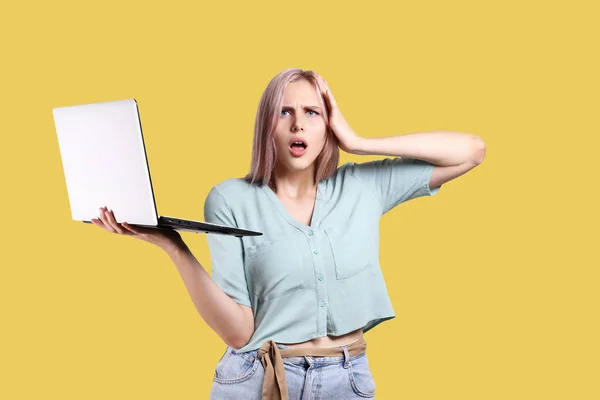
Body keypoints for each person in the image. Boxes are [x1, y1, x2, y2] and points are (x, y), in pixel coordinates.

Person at [91, 68, 485, 399]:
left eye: (312, 112)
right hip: (256, 379)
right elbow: (238, 331)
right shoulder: (230, 199)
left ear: (328, 123)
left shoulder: (364, 186)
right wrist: (172, 246)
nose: (299, 123)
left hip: (347, 380)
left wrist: (358, 142)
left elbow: (471, 150)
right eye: (285, 112)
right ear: (267, 125)